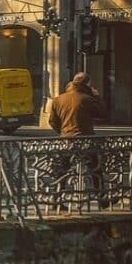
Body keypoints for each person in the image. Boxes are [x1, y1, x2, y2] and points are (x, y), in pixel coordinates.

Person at [42, 71, 106, 205]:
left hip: (66, 140)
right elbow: (102, 113)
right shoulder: (86, 99)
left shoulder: (58, 99)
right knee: (95, 167)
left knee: (63, 169)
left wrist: (63, 131)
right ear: (87, 84)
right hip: (85, 139)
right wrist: (97, 96)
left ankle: (56, 199)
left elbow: (52, 121)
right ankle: (102, 198)